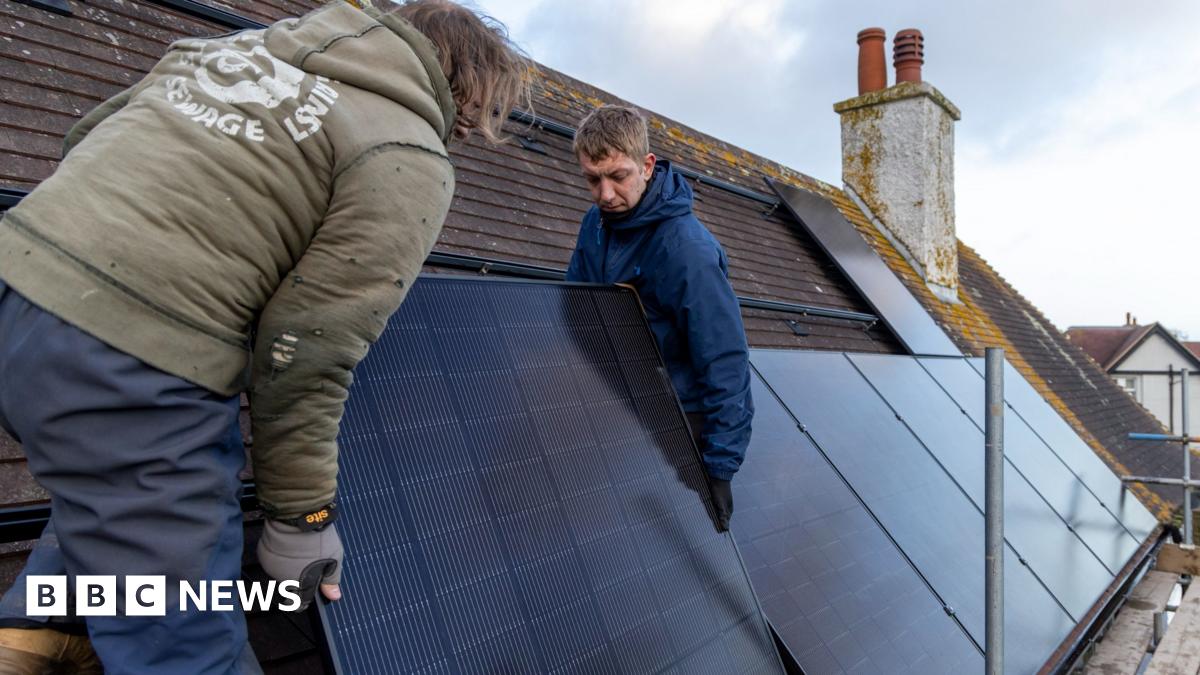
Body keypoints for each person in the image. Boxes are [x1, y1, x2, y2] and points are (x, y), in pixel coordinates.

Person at [0, 0, 528, 672]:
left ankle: (38, 630)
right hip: (128, 364)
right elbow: (306, 350)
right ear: (469, 90)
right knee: (192, 645)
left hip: (17, 296)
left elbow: (85, 144)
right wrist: (299, 519)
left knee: (127, 489)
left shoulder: (224, 51)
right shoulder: (404, 149)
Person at [565, 105, 754, 532]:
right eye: (593, 180)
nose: (606, 195)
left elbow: (724, 359)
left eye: (618, 176)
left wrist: (721, 466)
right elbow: (576, 307)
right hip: (620, 404)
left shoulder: (686, 251)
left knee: (671, 540)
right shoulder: (594, 226)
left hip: (681, 421)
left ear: (647, 166)